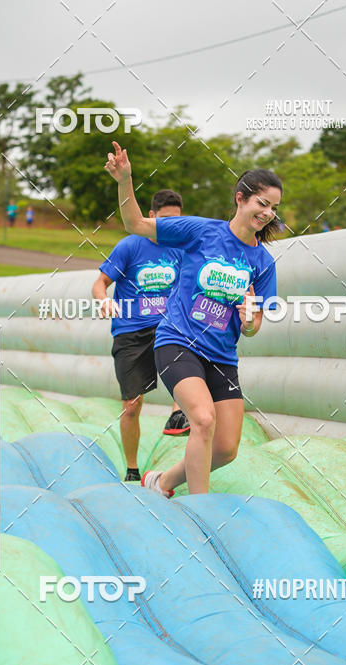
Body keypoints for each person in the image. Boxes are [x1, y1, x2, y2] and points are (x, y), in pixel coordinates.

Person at [104, 141, 281, 496]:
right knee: (202, 419)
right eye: (262, 203)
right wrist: (125, 180)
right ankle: (200, 510)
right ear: (240, 198)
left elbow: (255, 326)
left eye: (274, 208)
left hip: (222, 357)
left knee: (227, 448)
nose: (267, 214)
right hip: (178, 342)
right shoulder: (201, 231)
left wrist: (249, 320)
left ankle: (162, 481)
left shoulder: (263, 263)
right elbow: (135, 223)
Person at [91, 189, 191, 483]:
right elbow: (100, 283)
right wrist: (103, 300)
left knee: (186, 352)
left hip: (167, 327)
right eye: (165, 220)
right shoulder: (129, 246)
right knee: (132, 406)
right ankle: (133, 468)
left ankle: (178, 412)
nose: (170, 227)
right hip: (131, 331)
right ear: (151, 216)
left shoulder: (182, 249)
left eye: (176, 221)